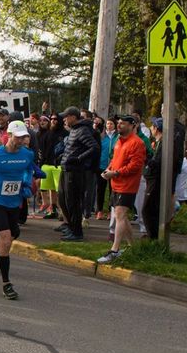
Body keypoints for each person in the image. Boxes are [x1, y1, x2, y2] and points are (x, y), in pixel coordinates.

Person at [0, 120, 44, 300]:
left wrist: (27, 184)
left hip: (14, 202)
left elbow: (29, 169)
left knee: (13, 235)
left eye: (24, 137)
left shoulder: (27, 154)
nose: (21, 141)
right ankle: (6, 284)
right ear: (9, 136)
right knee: (6, 240)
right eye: (18, 137)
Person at [97, 116, 147, 264]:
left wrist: (116, 173)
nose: (119, 125)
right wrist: (109, 169)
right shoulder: (119, 141)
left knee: (120, 214)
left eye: (123, 123)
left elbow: (136, 165)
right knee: (122, 217)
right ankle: (133, 247)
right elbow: (115, 159)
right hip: (116, 183)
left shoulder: (137, 143)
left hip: (128, 184)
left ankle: (115, 250)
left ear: (132, 126)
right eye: (118, 123)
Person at [57, 106, 99, 241]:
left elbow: (94, 147)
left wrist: (78, 158)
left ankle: (77, 232)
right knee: (63, 200)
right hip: (66, 169)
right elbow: (74, 148)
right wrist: (64, 155)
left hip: (74, 171)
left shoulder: (82, 130)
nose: (64, 119)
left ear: (73, 117)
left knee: (73, 202)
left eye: (66, 116)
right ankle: (71, 227)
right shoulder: (74, 130)